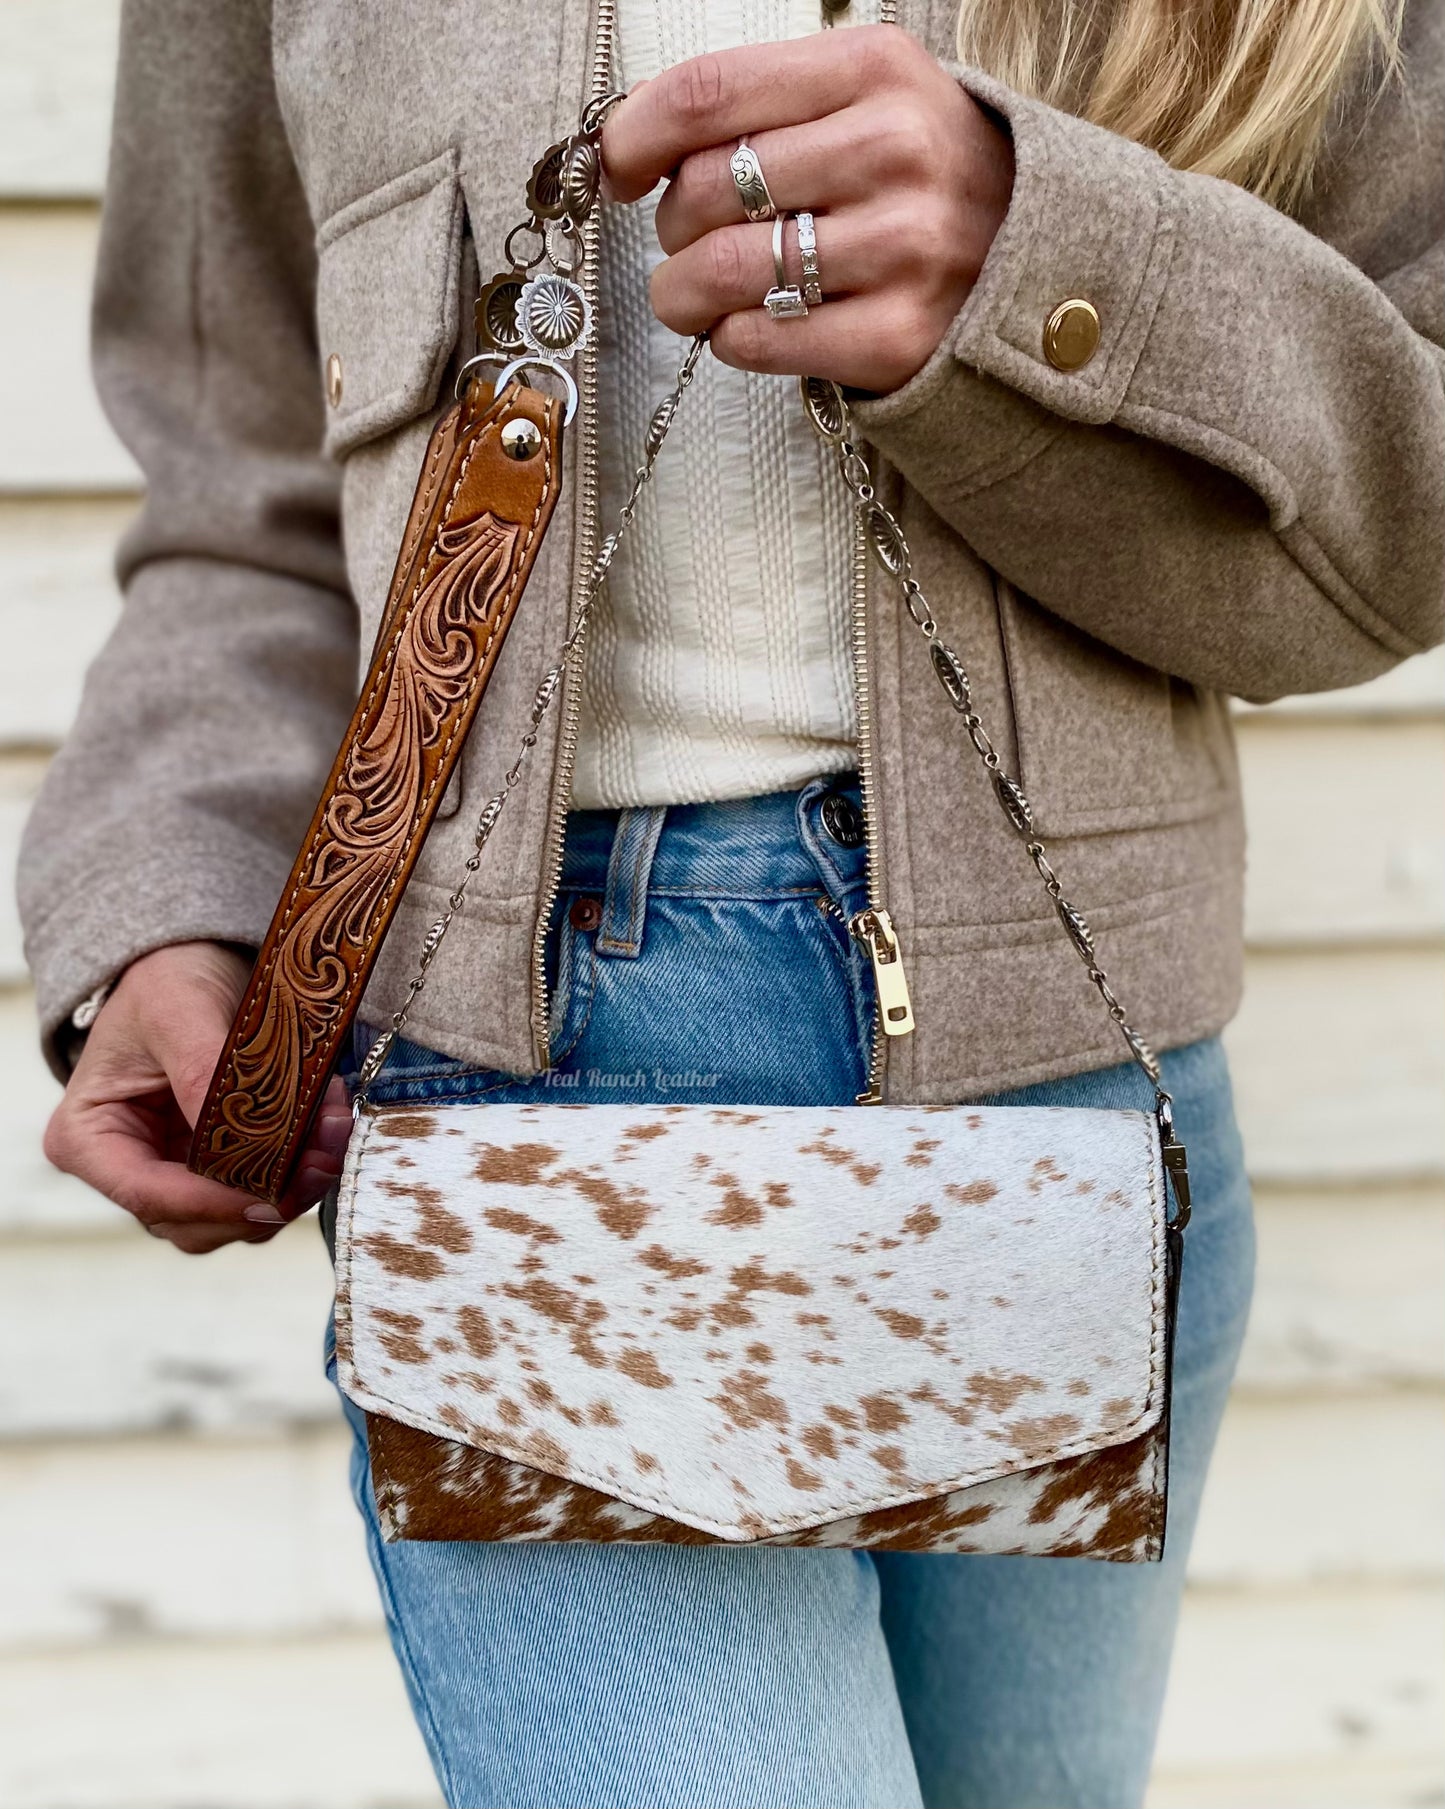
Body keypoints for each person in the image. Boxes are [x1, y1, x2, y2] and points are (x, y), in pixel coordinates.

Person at [19, 0, 1443, 1803]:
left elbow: (1407, 516)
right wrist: (169, 892)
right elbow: (240, 496)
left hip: (1075, 1103)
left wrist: (1044, 262)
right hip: (530, 1106)